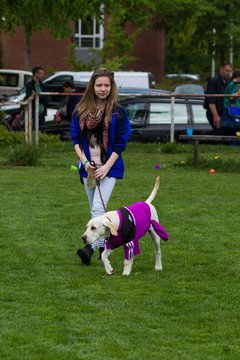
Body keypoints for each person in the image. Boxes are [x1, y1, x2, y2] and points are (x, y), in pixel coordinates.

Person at [70, 68, 131, 266]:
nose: (103, 89)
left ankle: (88, 248)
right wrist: (86, 163)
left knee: (98, 209)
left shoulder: (118, 112)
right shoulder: (80, 110)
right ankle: (105, 245)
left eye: (106, 85)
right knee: (94, 210)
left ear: (111, 87)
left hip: (109, 167)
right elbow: (75, 140)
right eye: (99, 85)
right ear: (92, 87)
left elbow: (121, 143)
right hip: (87, 169)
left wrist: (106, 168)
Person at [204, 62, 232, 131]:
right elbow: (211, 101)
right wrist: (215, 116)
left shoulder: (228, 81)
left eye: (230, 71)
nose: (228, 73)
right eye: (227, 71)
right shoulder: (214, 81)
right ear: (221, 69)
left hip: (224, 112)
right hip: (214, 112)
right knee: (219, 132)